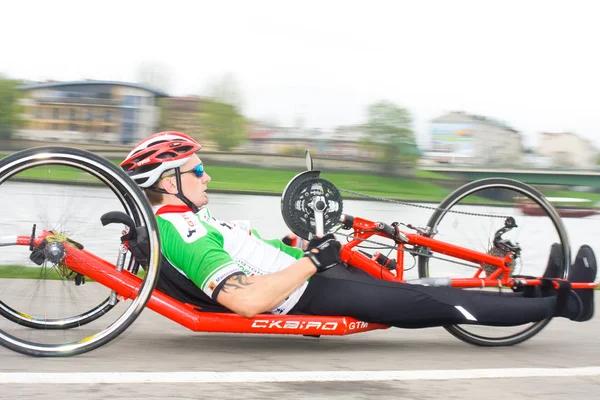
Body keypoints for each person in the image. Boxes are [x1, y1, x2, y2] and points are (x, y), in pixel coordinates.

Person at [120, 131, 597, 328]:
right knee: (430, 303)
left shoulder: (189, 218)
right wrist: (312, 260)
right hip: (309, 291)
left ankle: (542, 285)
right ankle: (566, 303)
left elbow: (249, 253)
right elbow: (245, 300)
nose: (207, 177)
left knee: (422, 281)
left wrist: (298, 244)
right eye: (198, 171)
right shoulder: (183, 233)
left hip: (308, 273)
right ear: (169, 180)